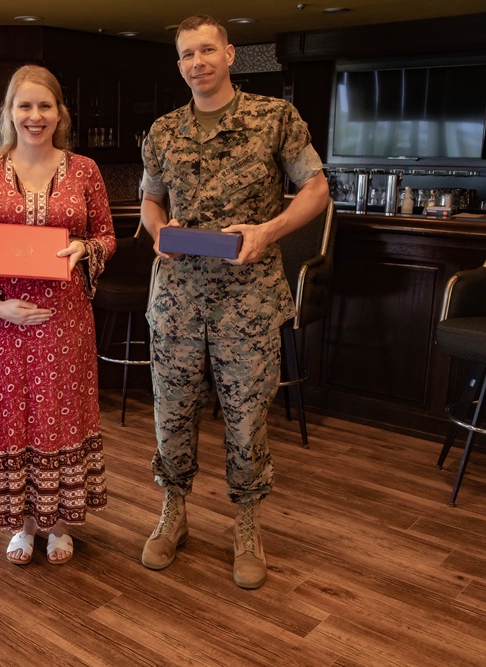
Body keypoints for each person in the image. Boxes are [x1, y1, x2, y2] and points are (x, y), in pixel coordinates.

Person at [138, 16, 329, 589]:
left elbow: (317, 190)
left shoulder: (274, 119)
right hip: (176, 300)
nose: (197, 62)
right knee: (171, 416)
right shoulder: (164, 131)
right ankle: (174, 513)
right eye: (186, 54)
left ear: (230, 54)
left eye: (206, 50)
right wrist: (158, 233)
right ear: (178, 65)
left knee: (246, 423)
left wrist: (269, 231)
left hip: (247, 302)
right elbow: (149, 201)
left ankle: (247, 524)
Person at [0, 65, 116, 566]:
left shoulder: (85, 170)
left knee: (61, 416)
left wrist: (83, 249)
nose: (35, 116)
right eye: (24, 106)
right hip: (3, 323)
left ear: (60, 114)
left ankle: (61, 523)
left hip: (65, 319)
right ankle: (24, 525)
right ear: (9, 113)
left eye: (45, 106)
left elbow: (107, 235)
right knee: (15, 418)